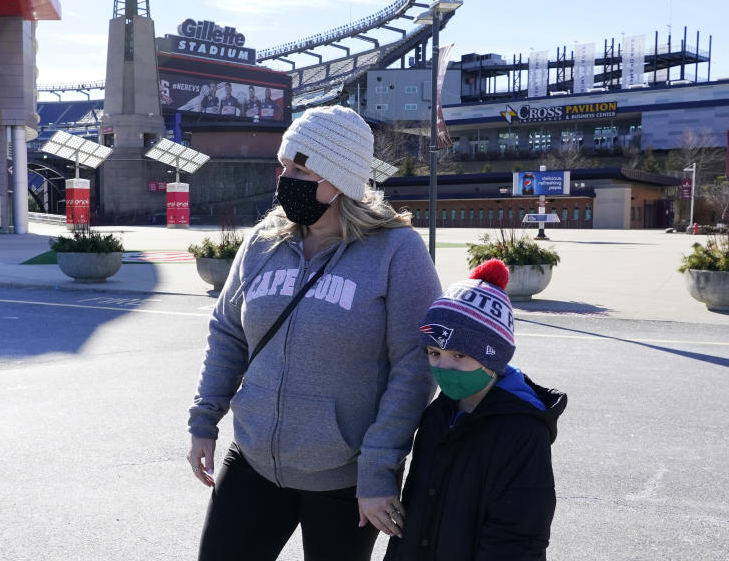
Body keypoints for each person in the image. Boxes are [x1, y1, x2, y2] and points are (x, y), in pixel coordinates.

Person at [187, 105, 442, 561]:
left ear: (339, 178)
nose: (286, 178)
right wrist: (204, 420)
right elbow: (228, 333)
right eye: (284, 165)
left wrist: (379, 471)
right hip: (253, 460)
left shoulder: (396, 251)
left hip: (345, 479)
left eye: (300, 168)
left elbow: (415, 367)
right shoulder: (264, 241)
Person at [384, 259, 567, 561]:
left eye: (459, 355)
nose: (444, 366)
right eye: (434, 353)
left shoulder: (523, 432)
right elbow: (417, 512)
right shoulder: (437, 416)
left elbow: (519, 536)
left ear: (493, 358)